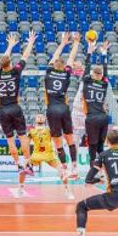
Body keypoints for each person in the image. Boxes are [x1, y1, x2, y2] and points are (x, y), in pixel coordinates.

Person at [0, 31, 37, 188]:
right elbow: (25, 56)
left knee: (10, 139)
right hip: (15, 107)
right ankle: (28, 164)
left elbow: (3, 60)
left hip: (3, 109)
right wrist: (30, 42)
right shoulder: (16, 71)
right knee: (22, 136)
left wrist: (10, 46)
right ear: (11, 63)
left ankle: (18, 165)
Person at [43, 33, 80, 182]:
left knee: (58, 143)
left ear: (53, 65)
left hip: (52, 109)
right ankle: (75, 168)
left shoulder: (49, 72)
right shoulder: (66, 74)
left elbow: (55, 56)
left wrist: (63, 43)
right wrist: (76, 43)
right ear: (64, 67)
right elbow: (71, 57)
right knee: (70, 139)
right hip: (64, 109)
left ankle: (64, 169)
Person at [80, 61, 114, 185]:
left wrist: (89, 53)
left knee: (92, 148)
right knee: (101, 147)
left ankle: (93, 175)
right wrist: (104, 58)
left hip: (92, 118)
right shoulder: (104, 84)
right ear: (101, 75)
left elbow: (86, 70)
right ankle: (106, 173)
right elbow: (106, 74)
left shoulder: (87, 82)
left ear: (93, 74)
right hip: (103, 118)